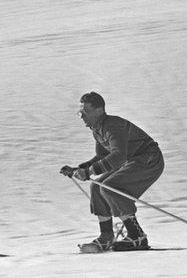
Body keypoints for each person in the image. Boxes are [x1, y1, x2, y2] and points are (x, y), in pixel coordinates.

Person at [60, 92, 164, 252]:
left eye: (85, 112)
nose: (81, 116)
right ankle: (106, 236)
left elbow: (117, 156)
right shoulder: (97, 128)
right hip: (133, 160)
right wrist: (80, 169)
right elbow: (102, 156)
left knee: (110, 187)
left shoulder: (112, 125)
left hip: (148, 159)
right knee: (97, 187)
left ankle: (137, 235)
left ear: (99, 111)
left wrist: (89, 171)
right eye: (80, 112)